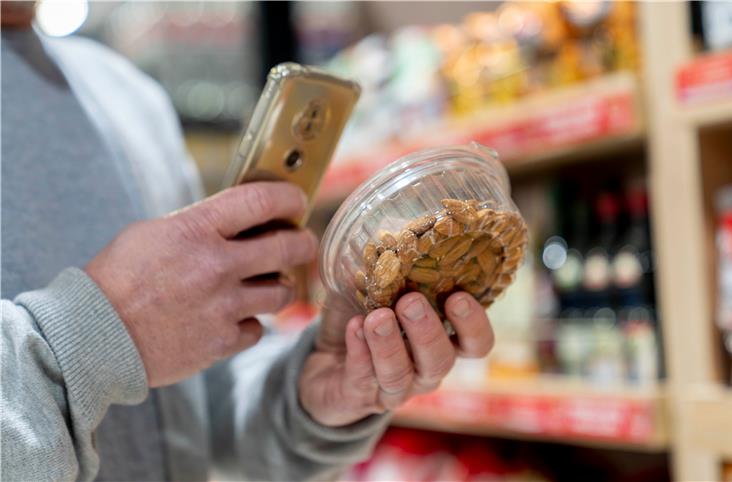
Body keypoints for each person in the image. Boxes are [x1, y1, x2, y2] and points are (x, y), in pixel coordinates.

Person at [0, 3, 496, 481]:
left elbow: (195, 410)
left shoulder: (129, 95)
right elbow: (114, 342)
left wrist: (308, 397)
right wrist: (98, 335)